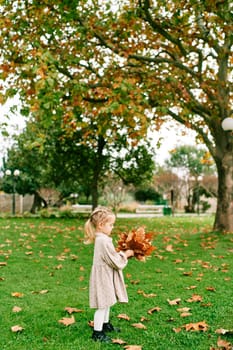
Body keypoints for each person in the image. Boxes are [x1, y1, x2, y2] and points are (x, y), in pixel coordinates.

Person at [84, 206, 134, 343]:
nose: (112, 227)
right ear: (101, 225)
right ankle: (97, 332)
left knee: (107, 302)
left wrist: (120, 253)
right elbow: (115, 261)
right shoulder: (103, 241)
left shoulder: (103, 239)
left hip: (105, 274)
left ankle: (105, 324)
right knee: (103, 305)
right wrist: (126, 254)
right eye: (110, 224)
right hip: (103, 277)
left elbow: (110, 257)